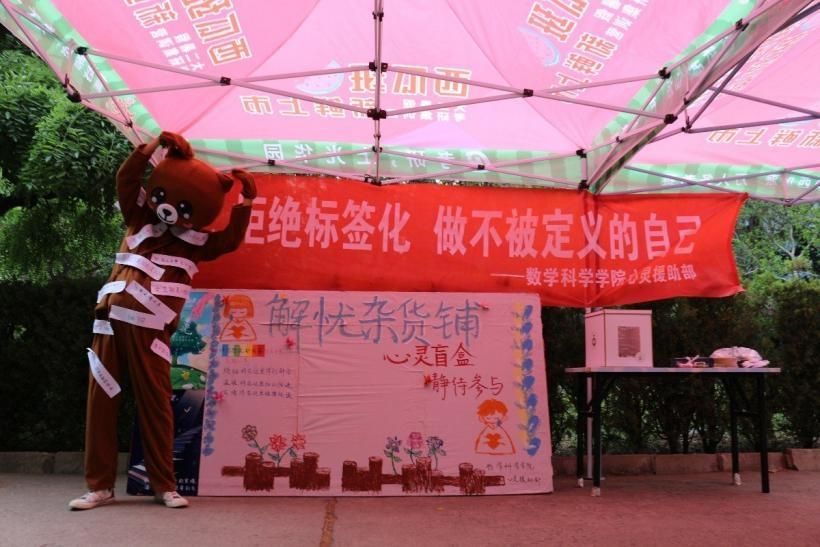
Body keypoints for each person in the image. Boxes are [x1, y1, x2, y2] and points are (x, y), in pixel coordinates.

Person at [69, 132, 256, 510]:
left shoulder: (196, 242)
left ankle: (164, 485)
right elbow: (126, 178)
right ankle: (100, 486)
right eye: (166, 199)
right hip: (108, 325)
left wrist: (246, 201)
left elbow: (231, 239)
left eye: (183, 207)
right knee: (100, 403)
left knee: (156, 404)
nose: (170, 210)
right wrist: (153, 145)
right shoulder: (138, 216)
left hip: (151, 334)